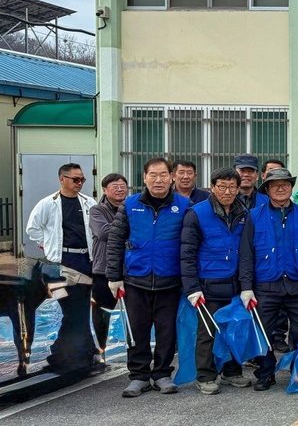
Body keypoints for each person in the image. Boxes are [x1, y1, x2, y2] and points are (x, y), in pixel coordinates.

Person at [237, 167, 298, 391]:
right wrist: (246, 287)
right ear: (267, 189)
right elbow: (246, 254)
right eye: (275, 185)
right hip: (266, 284)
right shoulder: (254, 216)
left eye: (285, 184)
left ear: (291, 187)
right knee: (264, 332)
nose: (281, 188)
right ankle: (265, 373)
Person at [106, 157, 192, 396]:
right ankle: (139, 376)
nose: (158, 180)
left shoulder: (184, 205)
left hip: (170, 280)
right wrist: (114, 276)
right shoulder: (130, 205)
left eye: (163, 175)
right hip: (136, 280)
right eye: (153, 175)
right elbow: (115, 241)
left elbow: (191, 244)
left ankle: (162, 374)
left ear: (171, 178)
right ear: (144, 178)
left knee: (167, 332)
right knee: (137, 331)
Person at [179, 167, 252, 394]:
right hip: (207, 284)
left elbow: (247, 252)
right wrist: (192, 288)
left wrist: (247, 286)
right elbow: (187, 254)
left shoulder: (244, 213)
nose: (227, 192)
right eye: (222, 186)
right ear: (212, 187)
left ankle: (232, 371)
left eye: (232, 187)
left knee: (233, 328)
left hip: (235, 283)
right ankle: (205, 375)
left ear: (238, 189)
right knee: (207, 333)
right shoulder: (197, 213)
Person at [26, 161, 98, 375]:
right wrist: (47, 243)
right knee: (70, 309)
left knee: (81, 307)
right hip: (57, 266)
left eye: (82, 179)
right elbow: (32, 228)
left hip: (84, 262)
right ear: (62, 179)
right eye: (75, 179)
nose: (79, 183)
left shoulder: (89, 202)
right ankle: (62, 352)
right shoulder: (47, 204)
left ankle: (84, 351)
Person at [89, 172, 128, 367]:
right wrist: (129, 227)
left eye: (123, 186)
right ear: (105, 190)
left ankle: (134, 349)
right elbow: (104, 232)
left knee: (134, 313)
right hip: (103, 270)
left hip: (129, 270)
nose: (120, 189)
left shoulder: (132, 207)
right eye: (115, 186)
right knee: (102, 313)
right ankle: (100, 351)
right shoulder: (97, 210)